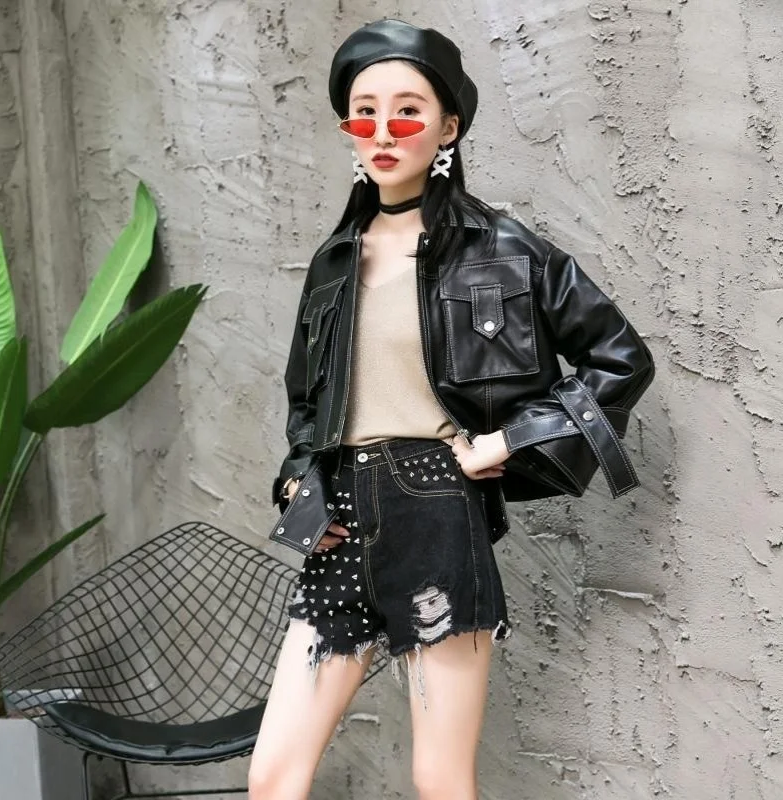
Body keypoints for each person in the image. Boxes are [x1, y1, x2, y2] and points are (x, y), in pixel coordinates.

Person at [249, 18, 655, 800]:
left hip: (435, 512)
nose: (383, 131)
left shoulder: (501, 248)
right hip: (341, 522)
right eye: (363, 113)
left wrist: (510, 438)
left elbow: (620, 357)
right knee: (272, 776)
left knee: (438, 777)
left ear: (448, 127)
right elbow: (307, 407)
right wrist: (300, 484)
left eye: (407, 112)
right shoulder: (334, 261)